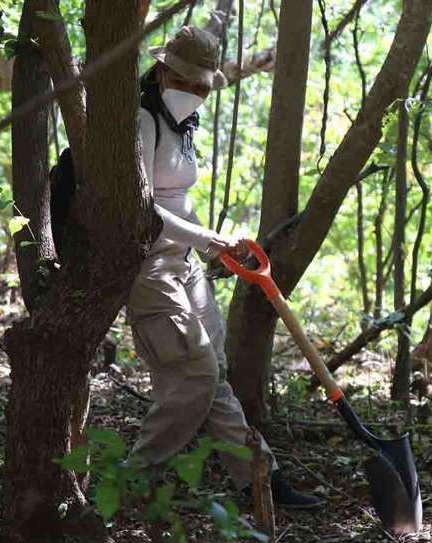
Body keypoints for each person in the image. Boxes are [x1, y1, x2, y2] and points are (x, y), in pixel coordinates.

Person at [127, 25, 322, 509]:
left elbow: (177, 199)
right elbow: (142, 210)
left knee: (213, 372)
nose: (198, 93)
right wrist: (209, 240)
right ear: (166, 71)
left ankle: (261, 480)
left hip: (184, 260)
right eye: (189, 82)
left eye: (203, 86)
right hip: (147, 268)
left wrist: (217, 249)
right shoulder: (140, 118)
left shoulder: (182, 124)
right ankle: (130, 482)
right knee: (195, 375)